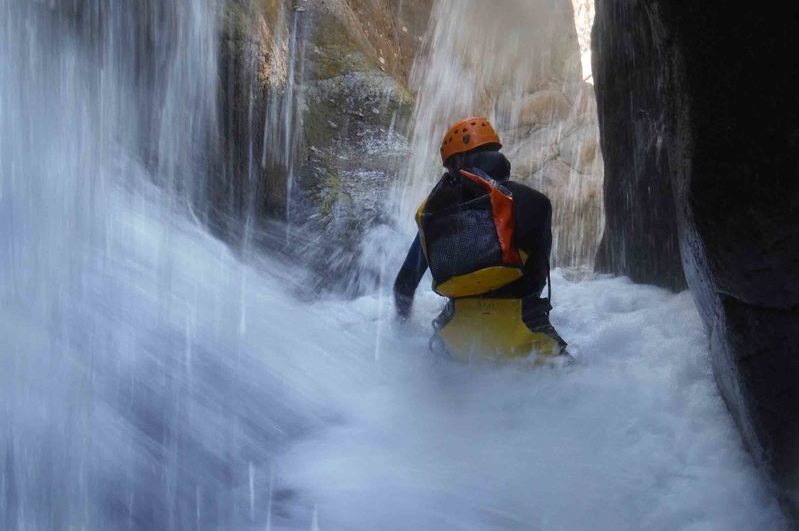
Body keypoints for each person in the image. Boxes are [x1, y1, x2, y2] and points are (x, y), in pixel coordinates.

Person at [394, 117, 569, 362]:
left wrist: (400, 330)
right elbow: (538, 272)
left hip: (454, 338)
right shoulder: (532, 201)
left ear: (455, 163)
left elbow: (404, 284)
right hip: (525, 333)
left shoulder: (432, 214)